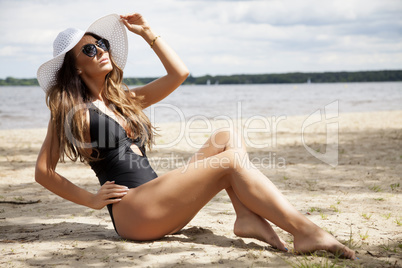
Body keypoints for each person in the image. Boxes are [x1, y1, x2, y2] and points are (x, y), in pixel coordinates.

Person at [35, 13, 356, 260]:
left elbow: (179, 74)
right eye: (89, 49)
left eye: (101, 44)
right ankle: (306, 232)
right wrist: (91, 200)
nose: (100, 51)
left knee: (225, 136)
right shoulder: (71, 110)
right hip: (134, 213)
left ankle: (245, 216)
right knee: (229, 161)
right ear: (75, 67)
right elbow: (43, 172)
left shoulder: (124, 99)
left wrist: (148, 33)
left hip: (161, 207)